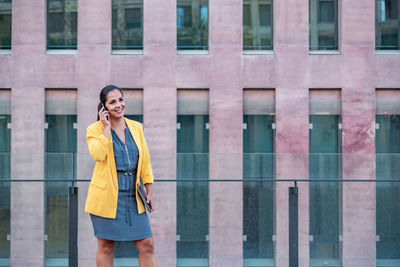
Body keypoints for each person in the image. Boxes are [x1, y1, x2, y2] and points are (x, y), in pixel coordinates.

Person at [85, 85, 157, 267]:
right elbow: (98, 154)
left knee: (147, 244)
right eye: (112, 102)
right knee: (106, 246)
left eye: (121, 100)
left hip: (133, 196)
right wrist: (106, 128)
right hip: (106, 197)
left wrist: (149, 190)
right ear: (103, 107)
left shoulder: (136, 127)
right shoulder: (94, 130)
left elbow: (145, 160)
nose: (119, 105)